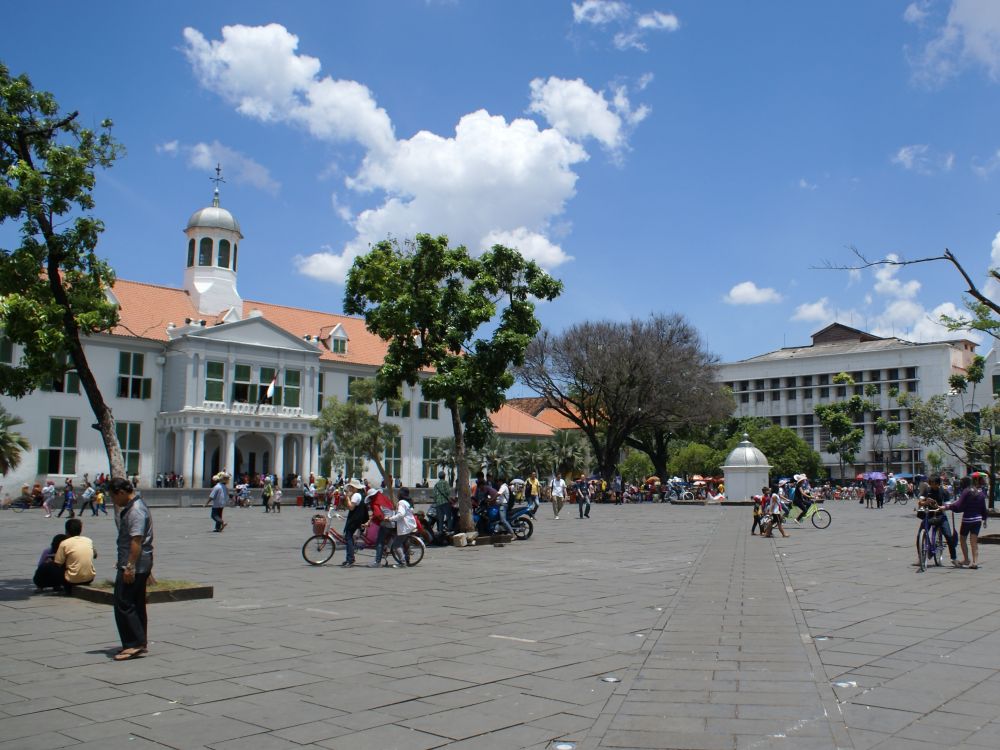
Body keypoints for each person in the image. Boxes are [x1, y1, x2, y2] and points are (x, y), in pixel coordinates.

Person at [109, 477, 154, 661]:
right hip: (139, 563)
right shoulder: (136, 506)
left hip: (135, 564)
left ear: (121, 492)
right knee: (135, 603)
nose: (113, 501)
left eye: (113, 497)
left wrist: (129, 566)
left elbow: (136, 540)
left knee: (124, 603)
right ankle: (139, 641)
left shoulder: (135, 510)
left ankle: (134, 643)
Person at [943, 474, 989, 569]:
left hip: (967, 520)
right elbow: (983, 508)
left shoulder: (966, 491)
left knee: (963, 539)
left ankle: (966, 559)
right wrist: (984, 519)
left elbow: (958, 505)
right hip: (977, 520)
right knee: (974, 541)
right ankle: (975, 562)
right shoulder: (980, 493)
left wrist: (947, 507)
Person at [916, 475, 960, 567]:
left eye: (934, 483)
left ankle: (954, 558)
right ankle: (921, 557)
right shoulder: (927, 490)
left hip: (940, 515)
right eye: (931, 483)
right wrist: (926, 502)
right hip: (929, 515)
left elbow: (948, 505)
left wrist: (940, 507)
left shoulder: (944, 492)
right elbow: (920, 502)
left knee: (948, 536)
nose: (932, 485)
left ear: (938, 484)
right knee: (920, 534)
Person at [54, 517, 97, 594]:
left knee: (53, 566)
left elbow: (58, 563)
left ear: (66, 531)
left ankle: (61, 587)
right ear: (80, 530)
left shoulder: (64, 543)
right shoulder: (88, 540)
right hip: (90, 578)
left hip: (71, 580)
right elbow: (95, 555)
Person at [384, 487, 418, 568]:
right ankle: (407, 559)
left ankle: (403, 563)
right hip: (409, 525)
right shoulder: (408, 502)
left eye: (398, 493)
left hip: (405, 526)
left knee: (396, 545)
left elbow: (401, 514)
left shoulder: (401, 502)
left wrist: (390, 519)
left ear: (401, 494)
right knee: (405, 543)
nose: (397, 494)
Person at [341, 479, 368, 568]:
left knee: (348, 537)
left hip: (354, 519)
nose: (349, 488)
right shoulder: (360, 495)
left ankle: (350, 559)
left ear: (353, 487)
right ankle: (350, 558)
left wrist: (347, 497)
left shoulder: (356, 495)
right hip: (358, 519)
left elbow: (351, 507)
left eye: (350, 487)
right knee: (350, 538)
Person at [367, 487, 397, 567]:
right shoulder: (384, 499)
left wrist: (375, 520)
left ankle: (377, 562)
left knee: (379, 542)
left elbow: (379, 515)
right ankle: (387, 549)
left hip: (386, 524)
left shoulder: (375, 503)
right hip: (393, 522)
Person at [432, 470, 452, 537]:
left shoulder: (436, 485)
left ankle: (440, 531)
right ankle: (449, 530)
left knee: (440, 518)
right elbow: (448, 492)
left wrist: (437, 500)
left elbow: (434, 495)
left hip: (438, 503)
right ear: (444, 476)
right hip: (445, 502)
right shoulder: (445, 483)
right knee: (448, 517)